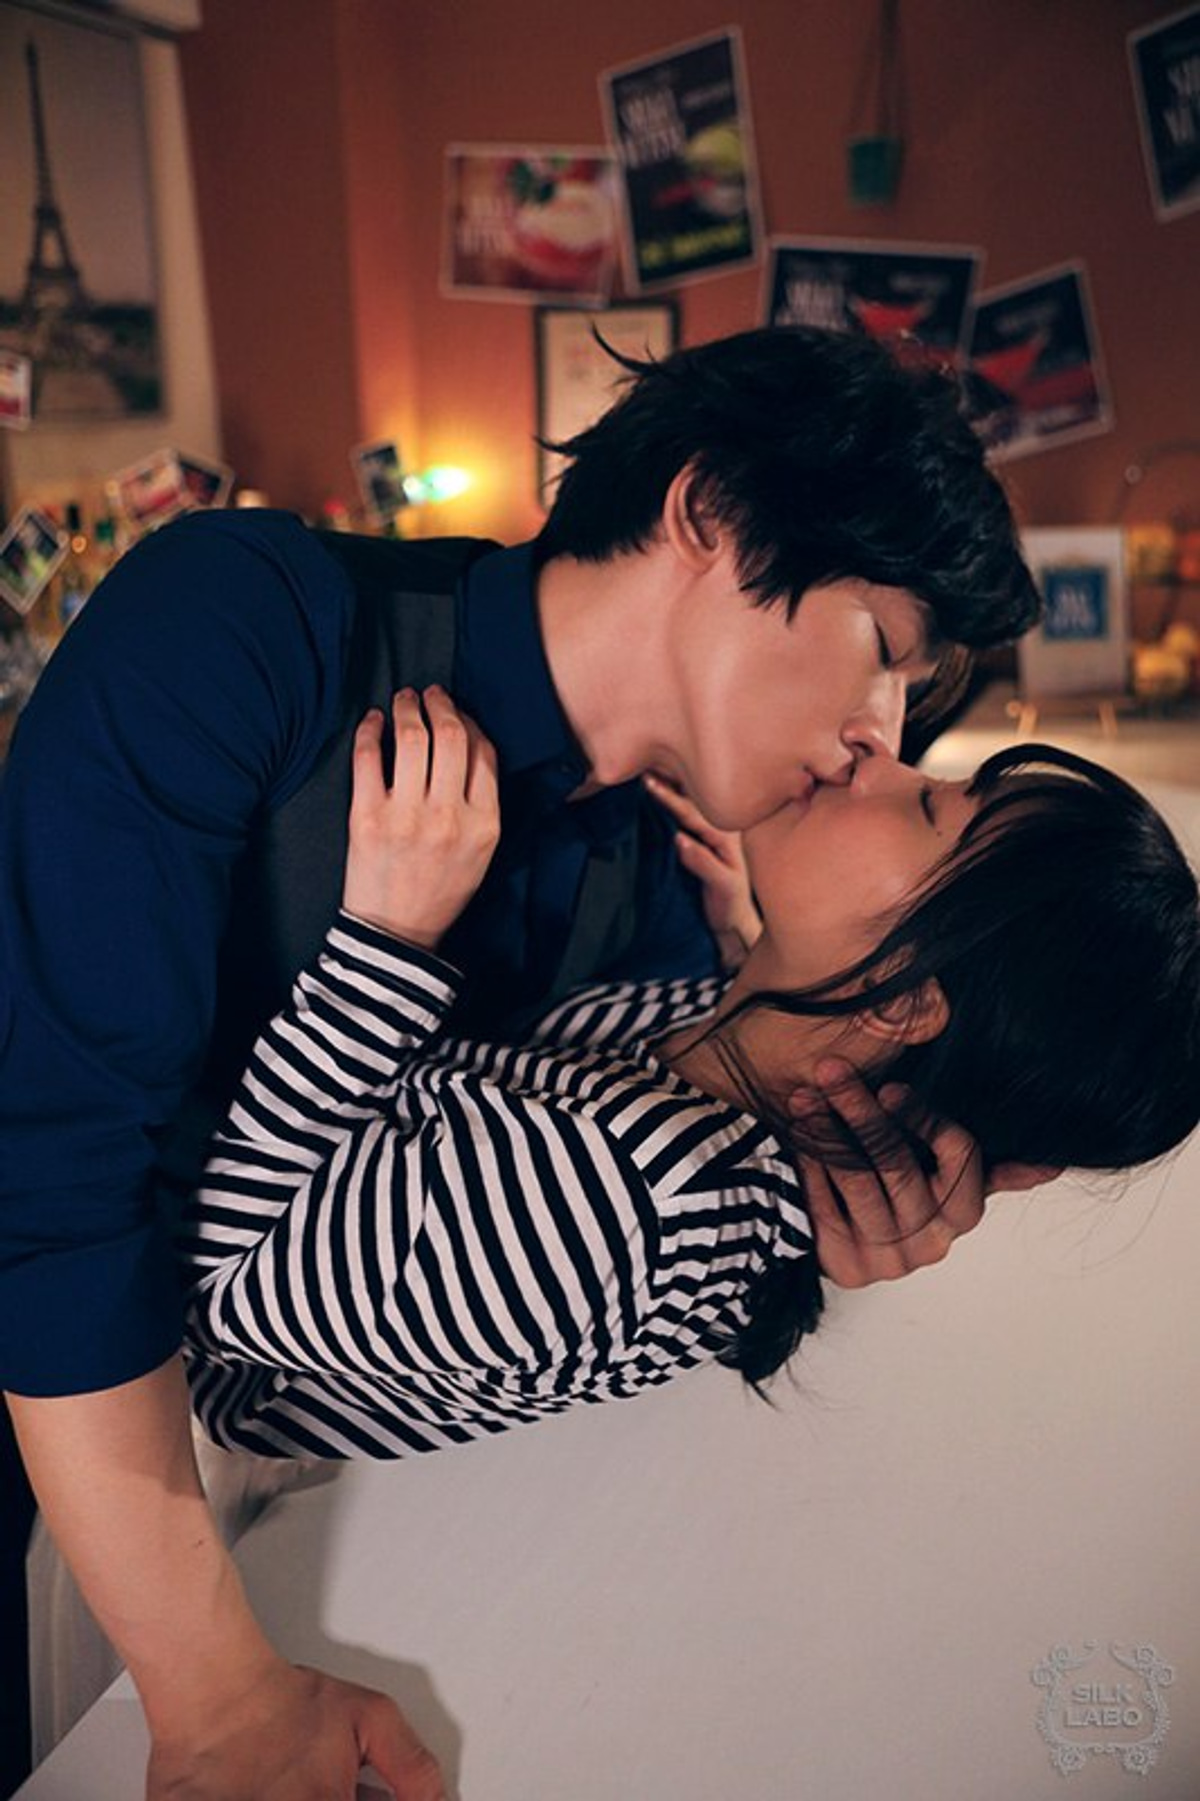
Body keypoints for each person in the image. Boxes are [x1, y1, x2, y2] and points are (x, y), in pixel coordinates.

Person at [0, 327, 1042, 1801]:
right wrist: (212, 1686)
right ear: (710, 512)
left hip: (350, 1552)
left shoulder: (680, 885)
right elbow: (51, 1184)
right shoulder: (246, 622)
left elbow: (586, 1273)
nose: (880, 737)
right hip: (75, 1478)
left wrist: (835, 1209)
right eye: (883, 652)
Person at [176, 692, 1200, 1457]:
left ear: (901, 1000)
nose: (871, 752)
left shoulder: (629, 1201)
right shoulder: (709, 1046)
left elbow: (218, 1282)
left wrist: (388, 939)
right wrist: (767, 953)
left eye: (929, 804)